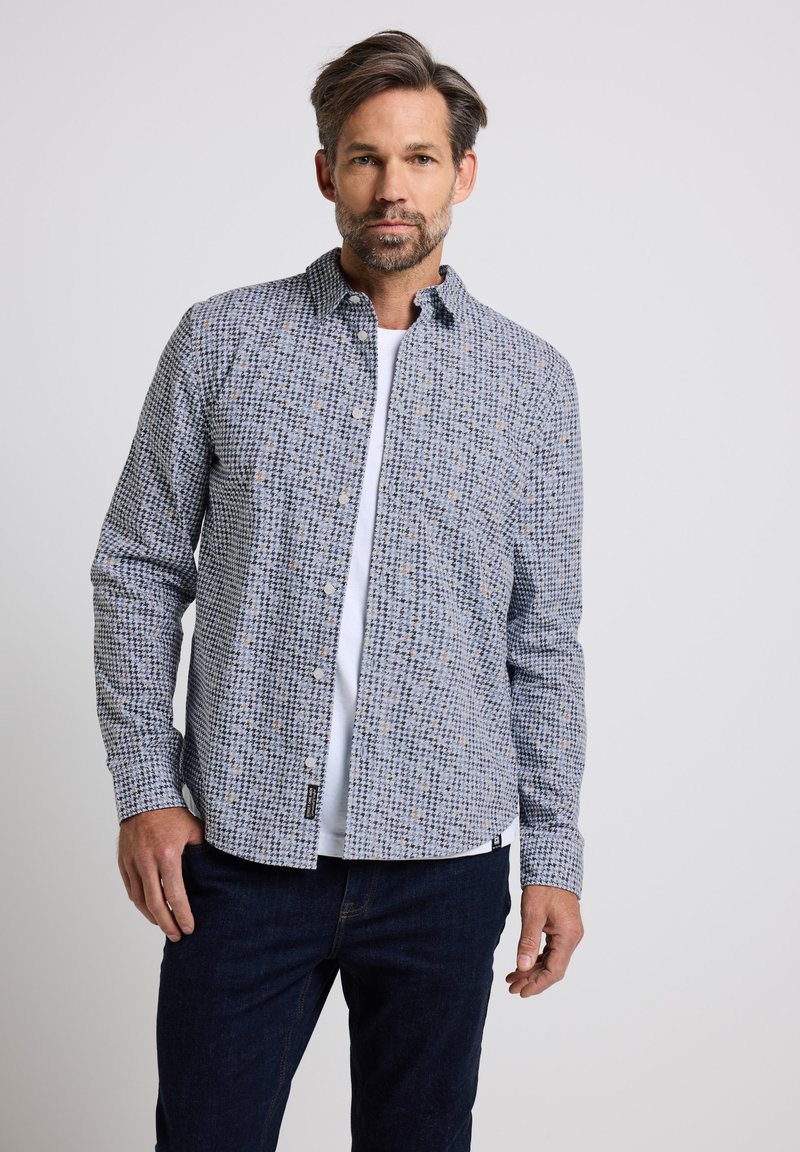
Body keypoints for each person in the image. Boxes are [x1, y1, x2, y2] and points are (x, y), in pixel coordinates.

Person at [90, 29, 587, 1152]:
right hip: (241, 859)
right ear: (326, 173)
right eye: (364, 158)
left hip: (445, 871)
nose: (390, 187)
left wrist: (553, 857)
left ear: (462, 174)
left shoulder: (531, 382)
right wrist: (145, 788)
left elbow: (544, 638)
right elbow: (137, 566)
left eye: (418, 159)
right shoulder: (222, 340)